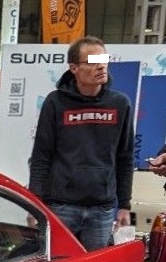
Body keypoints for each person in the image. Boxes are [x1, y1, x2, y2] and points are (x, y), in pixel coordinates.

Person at [28, 36, 133, 251]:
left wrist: (124, 205)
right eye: (92, 62)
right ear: (74, 68)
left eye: (104, 60)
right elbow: (42, 156)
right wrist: (35, 204)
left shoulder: (120, 104)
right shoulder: (55, 102)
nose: (101, 66)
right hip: (60, 206)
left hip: (101, 210)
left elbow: (125, 157)